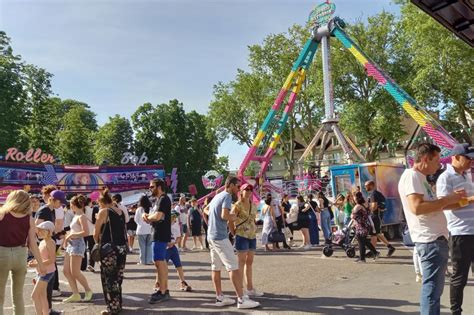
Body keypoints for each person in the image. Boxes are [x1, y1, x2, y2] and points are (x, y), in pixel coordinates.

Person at [398, 143, 465, 315]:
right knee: (432, 291)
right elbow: (417, 208)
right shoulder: (412, 176)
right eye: (436, 161)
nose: (439, 165)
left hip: (433, 240)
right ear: (426, 159)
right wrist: (447, 199)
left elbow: (434, 206)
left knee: (433, 290)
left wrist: (462, 201)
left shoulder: (420, 179)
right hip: (430, 241)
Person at [206, 176, 260, 309]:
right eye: (237, 186)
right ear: (230, 185)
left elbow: (205, 210)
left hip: (211, 235)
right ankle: (241, 299)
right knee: (233, 266)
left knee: (216, 267)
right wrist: (233, 217)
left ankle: (219, 297)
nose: (237, 189)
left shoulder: (217, 196)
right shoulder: (227, 196)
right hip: (220, 236)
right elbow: (225, 215)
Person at [435, 143, 474, 315]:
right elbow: (443, 205)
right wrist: (470, 200)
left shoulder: (467, 175)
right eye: (468, 158)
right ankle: (456, 311)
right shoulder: (445, 177)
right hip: (461, 234)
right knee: (460, 277)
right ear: (456, 157)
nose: (471, 162)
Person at [0, 190, 45, 315]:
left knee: (0, 296)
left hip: (2, 254)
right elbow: (33, 244)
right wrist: (41, 264)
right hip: (20, 254)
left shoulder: (2, 214)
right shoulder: (29, 218)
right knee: (18, 296)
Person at [94, 189, 128, 315]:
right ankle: (118, 304)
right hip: (121, 248)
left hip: (109, 250)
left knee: (109, 278)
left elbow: (95, 233)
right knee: (118, 278)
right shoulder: (120, 211)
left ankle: (112, 307)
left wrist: (98, 243)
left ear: (102, 202)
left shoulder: (104, 212)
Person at [229, 183, 263, 297]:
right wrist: (234, 232)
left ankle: (250, 288)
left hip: (252, 235)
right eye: (246, 189)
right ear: (241, 191)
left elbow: (253, 219)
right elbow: (230, 219)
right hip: (241, 235)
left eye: (250, 189)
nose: (248, 191)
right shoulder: (237, 205)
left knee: (250, 262)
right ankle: (241, 289)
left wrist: (255, 228)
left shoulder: (253, 205)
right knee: (241, 263)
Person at [35, 188, 67, 306]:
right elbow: (37, 227)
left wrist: (57, 235)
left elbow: (47, 229)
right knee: (47, 272)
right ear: (53, 200)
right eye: (60, 202)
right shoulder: (44, 210)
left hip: (49, 242)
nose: (61, 205)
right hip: (44, 245)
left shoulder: (51, 210)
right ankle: (46, 308)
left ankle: (48, 306)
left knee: (51, 272)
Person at [143, 179, 172, 304]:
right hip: (159, 233)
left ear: (159, 187)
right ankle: (163, 289)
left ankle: (163, 291)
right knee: (160, 262)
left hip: (160, 234)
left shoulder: (163, 199)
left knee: (160, 262)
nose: (150, 188)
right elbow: (157, 216)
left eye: (152, 186)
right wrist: (150, 218)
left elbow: (158, 216)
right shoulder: (160, 200)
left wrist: (147, 217)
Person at [62, 195, 93, 303]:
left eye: (71, 204)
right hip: (71, 244)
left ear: (74, 205)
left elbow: (86, 232)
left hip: (78, 244)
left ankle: (88, 290)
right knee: (66, 271)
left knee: (75, 272)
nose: (70, 206)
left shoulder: (81, 216)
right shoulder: (75, 215)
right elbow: (75, 230)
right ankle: (75, 294)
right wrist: (67, 237)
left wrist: (71, 235)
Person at [29, 221, 56, 315]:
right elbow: (42, 257)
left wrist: (36, 264)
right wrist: (35, 262)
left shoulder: (50, 243)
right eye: (39, 230)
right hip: (42, 271)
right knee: (42, 296)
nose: (39, 232)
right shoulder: (43, 242)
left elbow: (52, 260)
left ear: (48, 231)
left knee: (34, 296)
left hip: (47, 272)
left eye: (41, 230)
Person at [364, 180, 396, 257]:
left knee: (373, 234)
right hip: (377, 216)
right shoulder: (376, 193)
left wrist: (367, 210)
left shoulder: (374, 194)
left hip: (375, 216)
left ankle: (373, 251)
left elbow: (374, 207)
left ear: (371, 185)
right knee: (377, 233)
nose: (365, 187)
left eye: (366, 186)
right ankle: (389, 247)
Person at [163, 211, 192, 292]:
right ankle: (159, 284)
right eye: (173, 218)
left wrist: (174, 243)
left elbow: (179, 237)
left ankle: (183, 282)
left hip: (172, 248)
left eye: (175, 218)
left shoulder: (175, 226)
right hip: (165, 249)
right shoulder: (163, 226)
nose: (174, 220)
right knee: (162, 268)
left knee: (179, 265)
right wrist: (166, 243)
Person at [351, 192, 379, 263]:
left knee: (361, 242)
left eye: (354, 197)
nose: (353, 199)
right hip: (365, 225)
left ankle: (362, 258)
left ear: (356, 198)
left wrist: (353, 216)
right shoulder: (364, 204)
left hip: (361, 226)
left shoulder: (357, 206)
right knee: (364, 241)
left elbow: (352, 216)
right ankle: (375, 253)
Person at [135, 195, 154, 265]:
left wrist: (140, 223)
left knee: (142, 247)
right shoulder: (151, 209)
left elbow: (136, 220)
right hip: (149, 230)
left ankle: (142, 261)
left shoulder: (138, 210)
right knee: (149, 246)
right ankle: (149, 260)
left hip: (140, 230)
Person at [82, 198, 97, 273]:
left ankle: (83, 265)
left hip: (83, 232)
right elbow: (95, 221)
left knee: (83, 248)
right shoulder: (93, 210)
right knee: (92, 249)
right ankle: (91, 264)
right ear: (89, 202)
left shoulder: (82, 210)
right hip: (91, 231)